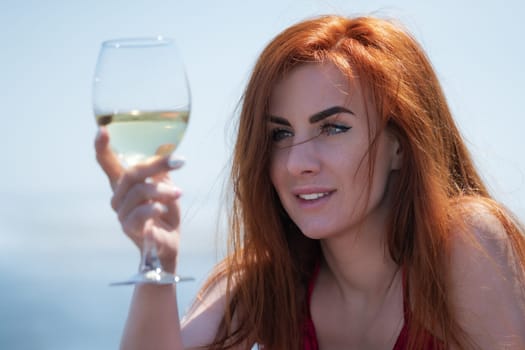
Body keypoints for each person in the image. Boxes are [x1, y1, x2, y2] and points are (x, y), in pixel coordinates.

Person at [95, 15, 525, 350]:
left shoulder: (464, 241)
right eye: (280, 134)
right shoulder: (265, 282)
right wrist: (158, 257)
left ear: (400, 145)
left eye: (333, 128)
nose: (297, 162)